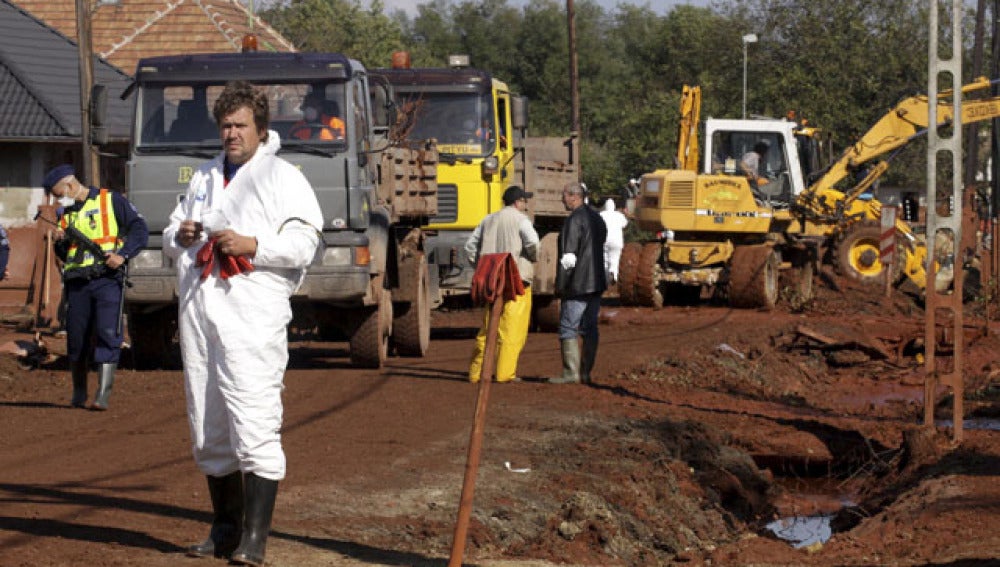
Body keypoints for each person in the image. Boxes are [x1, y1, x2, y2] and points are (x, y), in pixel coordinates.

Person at [163, 80, 323, 566]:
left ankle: (255, 535)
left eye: (240, 126)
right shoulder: (204, 176)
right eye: (226, 126)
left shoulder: (283, 177)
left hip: (252, 311)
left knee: (253, 418)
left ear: (261, 128)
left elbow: (305, 242)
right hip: (200, 308)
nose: (232, 134)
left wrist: (253, 244)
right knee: (207, 423)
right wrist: (183, 234)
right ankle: (224, 526)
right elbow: (171, 231)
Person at [41, 164, 149, 410]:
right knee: (76, 339)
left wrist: (122, 255)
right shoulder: (64, 214)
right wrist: (61, 241)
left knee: (107, 333)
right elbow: (65, 253)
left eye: (59, 193)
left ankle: (102, 394)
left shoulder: (110, 200)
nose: (59, 199)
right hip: (77, 282)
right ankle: (79, 391)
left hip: (107, 279)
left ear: (69, 185)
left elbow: (139, 231)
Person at [465, 185, 540, 383]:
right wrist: (532, 257)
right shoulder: (521, 220)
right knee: (512, 329)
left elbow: (470, 247)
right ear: (518, 202)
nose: (525, 205)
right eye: (524, 201)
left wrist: (481, 265)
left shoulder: (487, 220)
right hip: (518, 282)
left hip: (492, 281)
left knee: (488, 327)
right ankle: (504, 374)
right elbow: (533, 243)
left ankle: (477, 373)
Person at [549, 182, 607, 385]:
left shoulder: (574, 220)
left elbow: (569, 256)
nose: (562, 199)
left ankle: (570, 373)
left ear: (574, 196)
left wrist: (562, 286)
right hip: (596, 282)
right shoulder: (597, 218)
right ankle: (585, 373)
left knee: (568, 327)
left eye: (564, 195)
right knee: (590, 328)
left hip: (578, 284)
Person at [599, 198, 628, 284]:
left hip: (604, 240)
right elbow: (625, 224)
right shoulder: (619, 215)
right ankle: (614, 274)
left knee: (604, 259)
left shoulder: (601, 214)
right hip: (617, 240)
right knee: (615, 259)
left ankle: (605, 278)